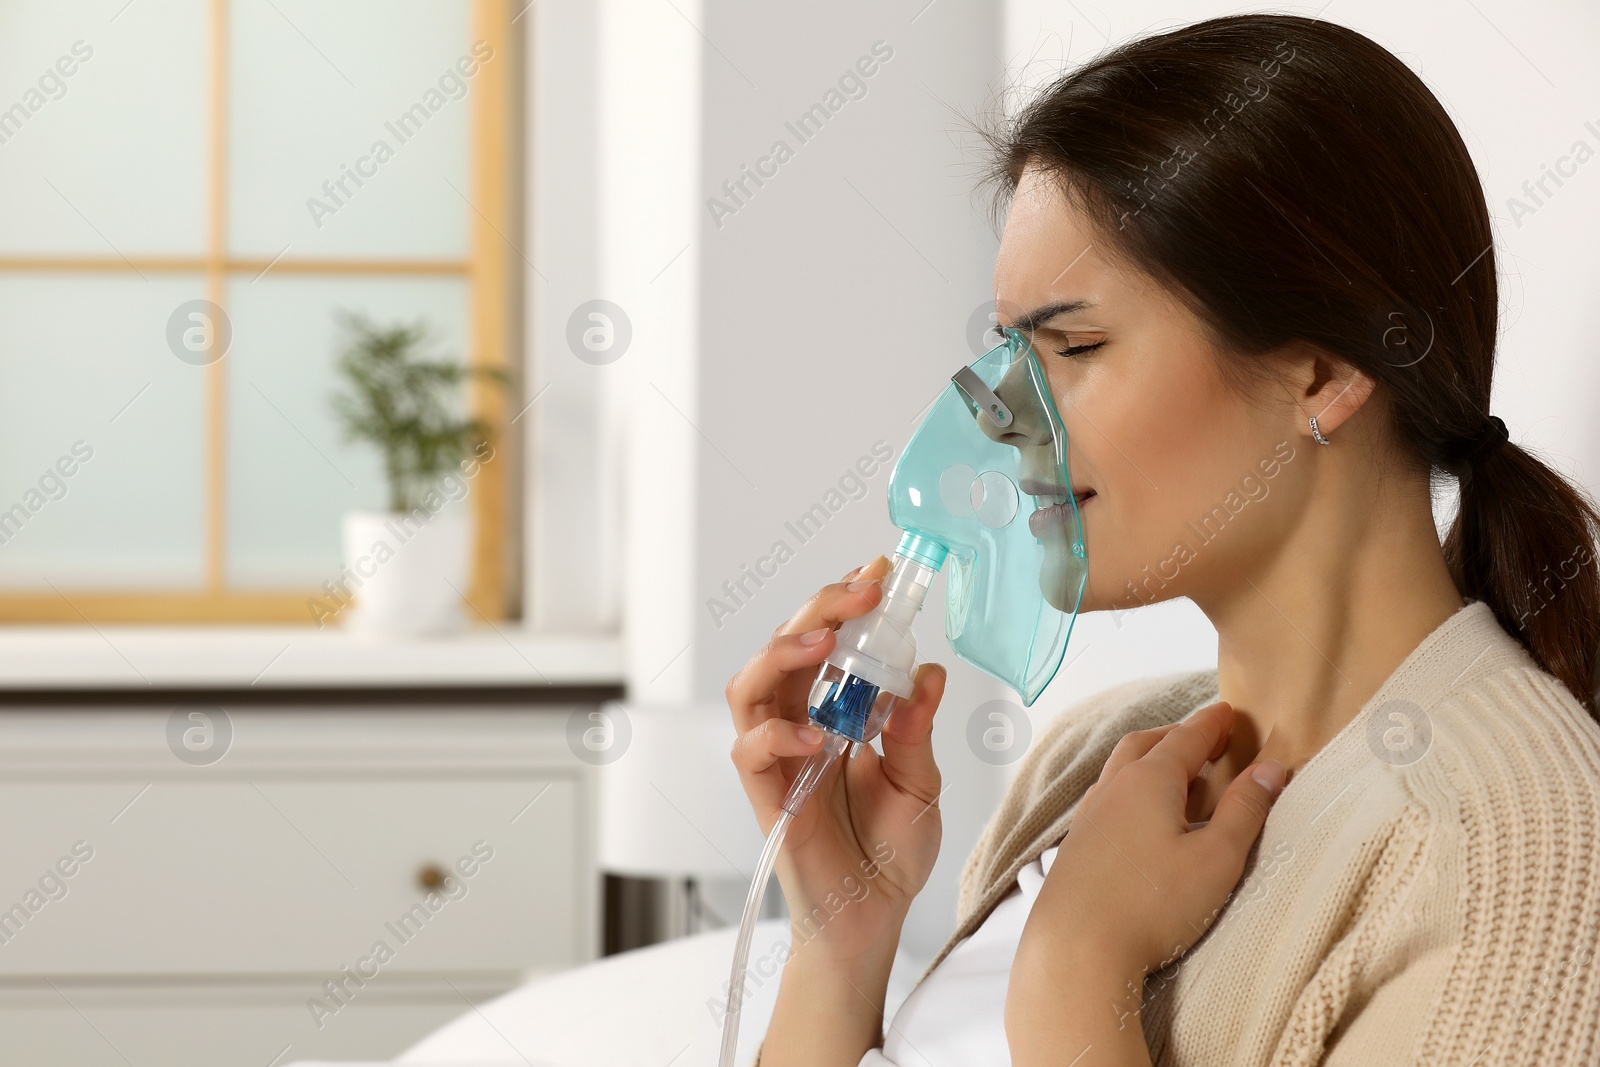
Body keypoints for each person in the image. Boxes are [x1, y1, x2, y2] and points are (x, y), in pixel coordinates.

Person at [724, 13, 1600, 1066]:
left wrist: (1075, 977)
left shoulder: (1509, 853)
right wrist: (840, 939)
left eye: (1074, 343)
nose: (1002, 410)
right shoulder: (1097, 758)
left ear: (1321, 375)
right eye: (1010, 350)